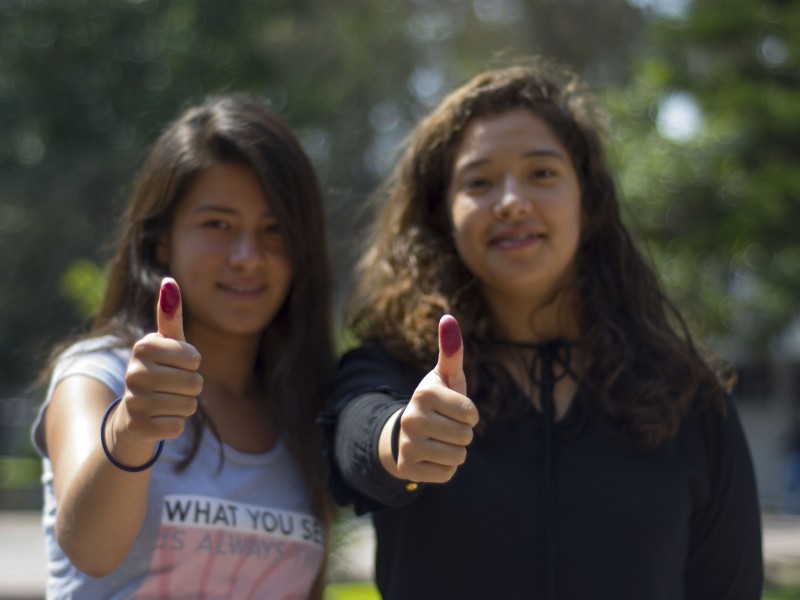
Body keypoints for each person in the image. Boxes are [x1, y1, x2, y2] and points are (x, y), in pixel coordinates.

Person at [321, 59, 763, 599]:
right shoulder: (397, 366)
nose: (512, 201)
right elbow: (356, 434)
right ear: (442, 215)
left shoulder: (691, 397)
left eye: (542, 173)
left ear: (589, 201)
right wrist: (401, 441)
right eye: (479, 182)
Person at [32, 95, 334, 599]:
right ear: (160, 242)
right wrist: (131, 428)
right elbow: (90, 550)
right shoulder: (98, 377)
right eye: (217, 225)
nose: (247, 257)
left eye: (274, 229)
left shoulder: (305, 406)